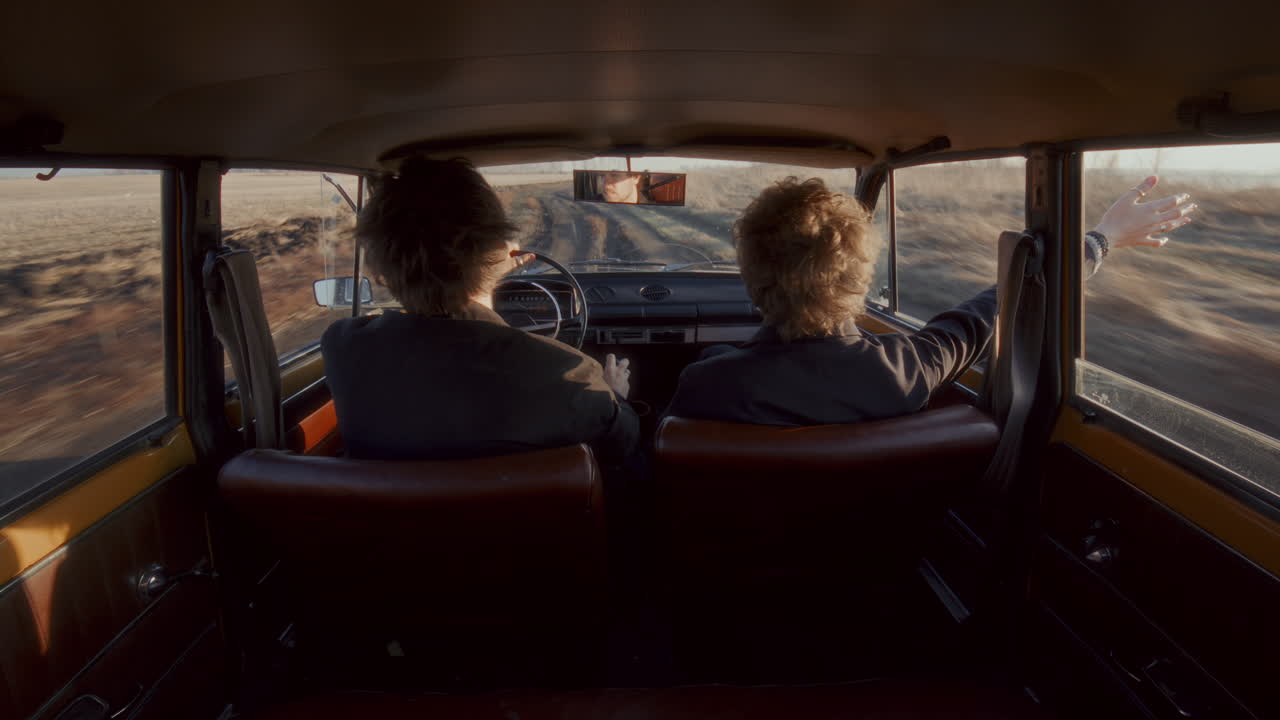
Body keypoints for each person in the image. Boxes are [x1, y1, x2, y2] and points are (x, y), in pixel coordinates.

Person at [664, 175, 1194, 425]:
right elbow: (1003, 303)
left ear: (751, 278)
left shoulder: (706, 383)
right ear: (861, 278)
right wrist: (1099, 240)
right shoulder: (908, 370)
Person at [322, 157, 639, 461]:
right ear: (498, 247)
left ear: (379, 260)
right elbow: (623, 444)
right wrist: (616, 397)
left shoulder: (345, 348)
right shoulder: (567, 375)